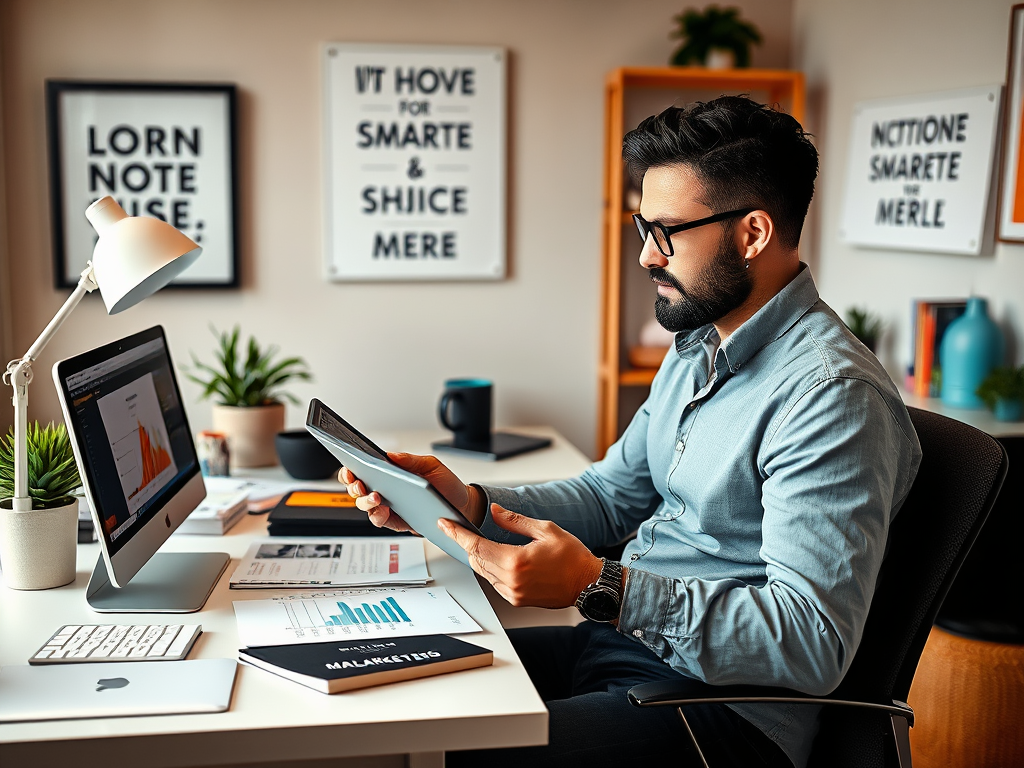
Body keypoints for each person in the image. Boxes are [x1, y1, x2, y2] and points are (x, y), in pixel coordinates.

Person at [340, 96, 922, 768]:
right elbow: (609, 496)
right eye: (642, 228)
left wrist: (604, 585)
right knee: (394, 702)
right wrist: (465, 503)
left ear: (753, 233)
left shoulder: (830, 397)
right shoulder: (697, 345)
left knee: (448, 753)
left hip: (723, 714)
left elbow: (811, 642)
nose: (645, 256)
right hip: (627, 651)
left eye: (665, 231)